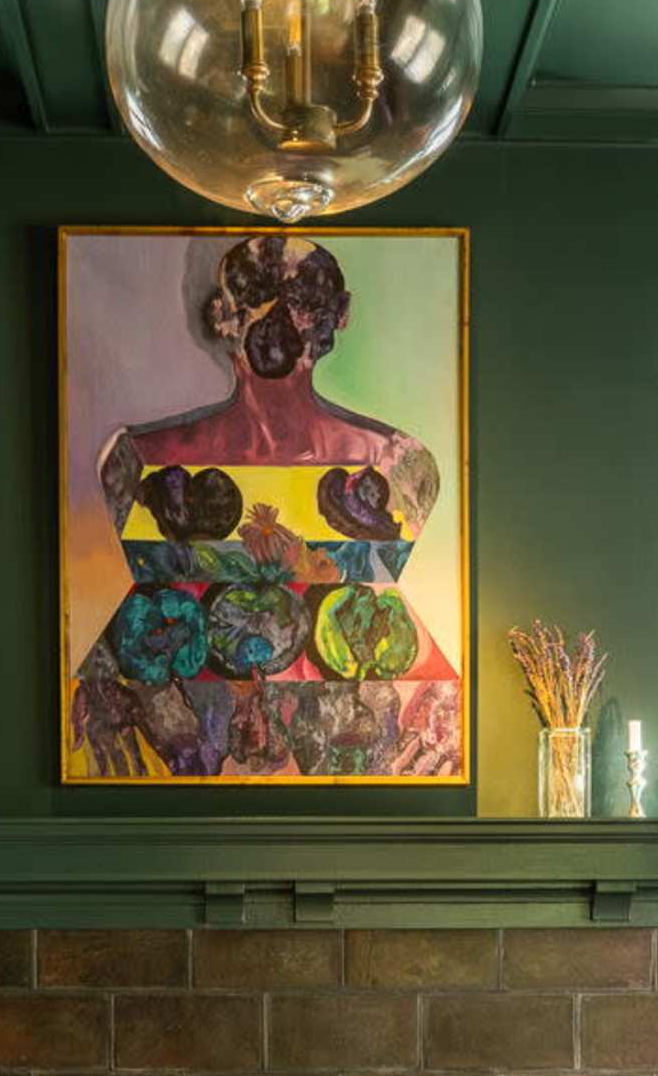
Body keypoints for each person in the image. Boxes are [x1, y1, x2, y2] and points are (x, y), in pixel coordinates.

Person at [72, 234, 460, 781]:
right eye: (258, 292)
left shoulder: (399, 466)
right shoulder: (136, 458)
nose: (275, 317)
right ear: (220, 314)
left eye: (300, 298)